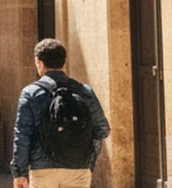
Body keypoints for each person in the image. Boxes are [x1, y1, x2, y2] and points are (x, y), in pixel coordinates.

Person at [11, 38, 110, 188]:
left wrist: (19, 172)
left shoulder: (30, 93)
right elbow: (102, 130)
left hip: (42, 170)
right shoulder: (84, 91)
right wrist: (88, 160)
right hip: (78, 168)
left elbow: (23, 135)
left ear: (39, 62)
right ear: (64, 62)